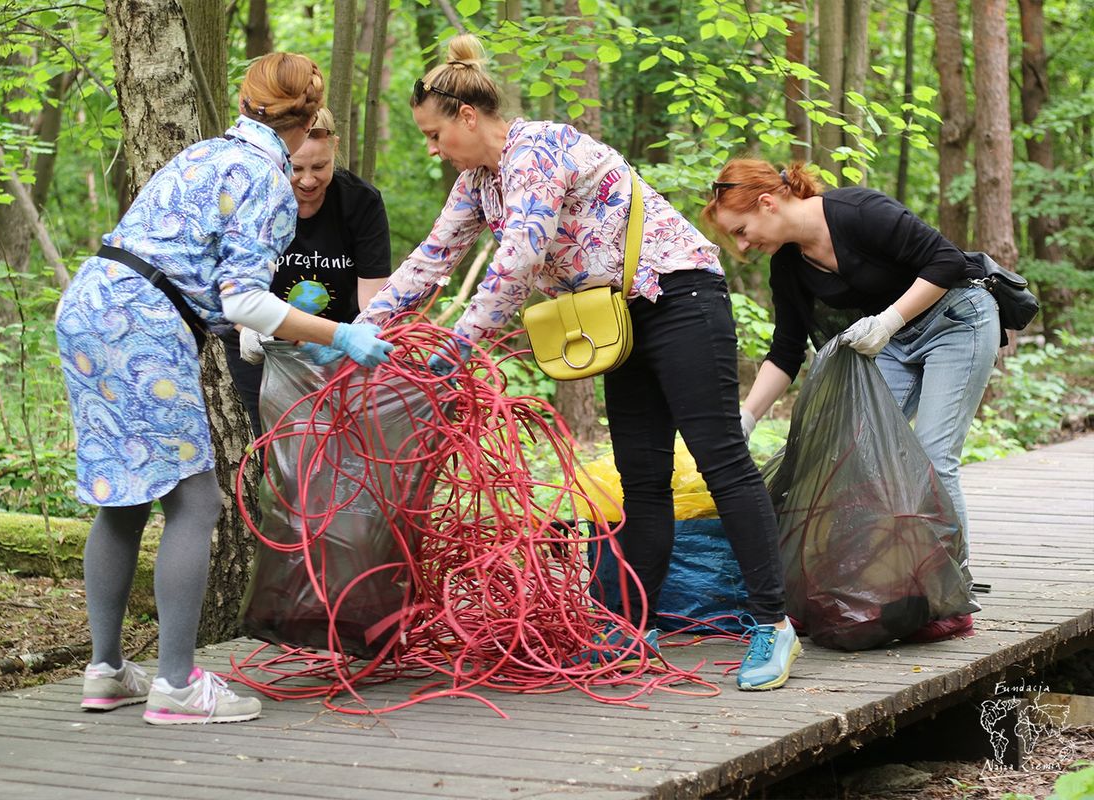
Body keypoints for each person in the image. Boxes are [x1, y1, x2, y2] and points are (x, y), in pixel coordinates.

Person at [347, 34, 800, 691]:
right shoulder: (479, 183)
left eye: (434, 133)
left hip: (679, 296)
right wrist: (357, 332)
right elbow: (430, 261)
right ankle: (632, 626)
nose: (432, 148)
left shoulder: (539, 148)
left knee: (719, 457)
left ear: (467, 117)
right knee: (639, 474)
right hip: (615, 317)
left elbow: (524, 252)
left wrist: (461, 343)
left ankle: (773, 624)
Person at [54, 53, 393, 726]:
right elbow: (246, 303)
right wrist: (341, 335)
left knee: (123, 494)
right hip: (142, 324)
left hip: (89, 305)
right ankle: (177, 687)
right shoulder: (267, 180)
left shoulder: (205, 155)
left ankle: (105, 670)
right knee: (197, 499)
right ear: (304, 117)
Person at [701, 158, 999, 642]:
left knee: (931, 456)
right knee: (851, 455)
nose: (742, 245)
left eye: (741, 230)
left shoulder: (857, 210)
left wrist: (887, 322)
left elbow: (946, 260)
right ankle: (866, 584)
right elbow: (786, 350)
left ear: (767, 203)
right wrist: (748, 416)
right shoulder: (788, 265)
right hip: (891, 340)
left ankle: (951, 592)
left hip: (958, 320)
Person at [226, 107, 392, 438]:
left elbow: (374, 301)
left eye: (320, 167)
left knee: (339, 440)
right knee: (276, 441)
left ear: (335, 147)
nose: (307, 180)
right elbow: (230, 283)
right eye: (296, 168)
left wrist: (351, 339)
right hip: (263, 342)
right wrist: (248, 328)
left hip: (337, 343)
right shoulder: (258, 198)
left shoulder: (360, 203)